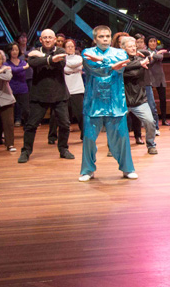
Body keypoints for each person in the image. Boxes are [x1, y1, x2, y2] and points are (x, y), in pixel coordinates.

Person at [79, 25, 137, 181]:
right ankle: (87, 170)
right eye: (101, 36)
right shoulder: (87, 53)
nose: (105, 39)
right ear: (95, 39)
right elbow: (94, 70)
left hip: (116, 102)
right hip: (94, 102)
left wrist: (103, 60)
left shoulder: (120, 52)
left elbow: (121, 66)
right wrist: (110, 65)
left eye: (107, 36)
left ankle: (127, 168)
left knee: (122, 138)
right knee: (89, 138)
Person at [18, 29, 73, 163]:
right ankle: (26, 151)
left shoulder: (60, 51)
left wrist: (43, 59)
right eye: (45, 38)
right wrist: (49, 59)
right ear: (41, 40)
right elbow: (32, 63)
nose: (48, 40)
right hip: (39, 95)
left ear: (55, 39)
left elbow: (60, 63)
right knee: (31, 125)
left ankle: (63, 149)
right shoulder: (34, 52)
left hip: (59, 94)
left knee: (65, 125)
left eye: (50, 37)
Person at [121, 36, 158, 155]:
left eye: (134, 46)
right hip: (123, 101)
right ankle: (113, 147)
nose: (132, 48)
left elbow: (152, 56)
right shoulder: (120, 61)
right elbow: (122, 70)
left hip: (140, 100)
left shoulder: (140, 58)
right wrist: (139, 65)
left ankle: (151, 144)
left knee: (150, 122)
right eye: (129, 46)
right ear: (123, 48)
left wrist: (139, 58)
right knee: (115, 124)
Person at [62, 39, 84, 141]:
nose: (70, 48)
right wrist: (77, 69)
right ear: (64, 48)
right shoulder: (62, 58)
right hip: (65, 89)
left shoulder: (79, 57)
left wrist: (70, 68)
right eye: (68, 46)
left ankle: (84, 134)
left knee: (80, 113)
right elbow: (65, 69)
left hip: (78, 88)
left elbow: (69, 68)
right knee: (63, 115)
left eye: (72, 46)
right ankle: (53, 136)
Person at [5, 42, 29, 127]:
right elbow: (12, 70)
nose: (15, 52)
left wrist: (22, 68)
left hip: (22, 88)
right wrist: (23, 68)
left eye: (16, 50)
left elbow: (17, 70)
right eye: (12, 50)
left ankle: (27, 128)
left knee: (26, 110)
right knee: (9, 111)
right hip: (10, 89)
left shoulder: (22, 62)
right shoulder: (6, 63)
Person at [146, 36, 168, 126]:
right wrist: (157, 54)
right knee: (150, 100)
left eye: (154, 41)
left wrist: (155, 55)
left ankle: (164, 119)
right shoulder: (145, 52)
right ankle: (152, 120)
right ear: (148, 43)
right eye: (151, 41)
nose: (153, 43)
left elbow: (160, 57)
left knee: (163, 99)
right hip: (150, 77)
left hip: (160, 78)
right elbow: (149, 62)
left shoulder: (157, 52)